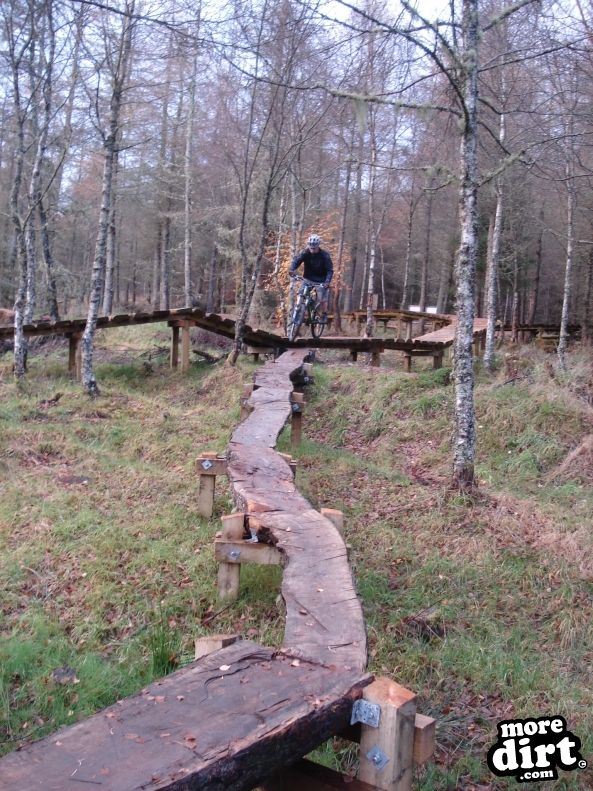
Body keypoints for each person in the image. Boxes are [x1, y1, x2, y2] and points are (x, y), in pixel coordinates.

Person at [289, 234, 333, 321]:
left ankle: (324, 314)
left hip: (321, 280)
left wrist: (327, 282)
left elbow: (329, 270)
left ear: (318, 246)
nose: (312, 249)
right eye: (310, 247)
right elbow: (297, 261)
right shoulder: (305, 253)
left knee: (322, 298)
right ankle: (298, 310)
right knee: (301, 293)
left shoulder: (325, 256)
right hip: (308, 278)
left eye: (314, 248)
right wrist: (292, 269)